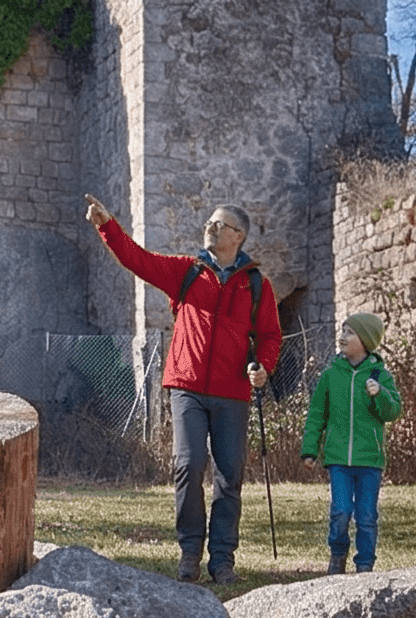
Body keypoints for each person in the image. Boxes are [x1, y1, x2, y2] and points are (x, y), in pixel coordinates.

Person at [84, 193, 282, 584]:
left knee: (229, 475)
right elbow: (136, 259)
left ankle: (222, 561)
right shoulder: (186, 271)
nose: (210, 226)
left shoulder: (256, 285)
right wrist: (107, 224)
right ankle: (190, 552)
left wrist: (263, 368)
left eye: (219, 223)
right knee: (188, 466)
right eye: (209, 221)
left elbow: (271, 336)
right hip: (186, 386)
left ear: (238, 236)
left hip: (233, 392)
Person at [301, 312, 402, 574]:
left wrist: (379, 395)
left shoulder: (381, 376)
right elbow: (316, 415)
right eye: (342, 331)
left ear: (366, 341)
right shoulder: (330, 376)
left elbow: (392, 412)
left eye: (349, 332)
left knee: (367, 517)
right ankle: (337, 555)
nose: (342, 336)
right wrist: (310, 449)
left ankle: (365, 564)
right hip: (338, 460)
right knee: (341, 512)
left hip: (370, 459)